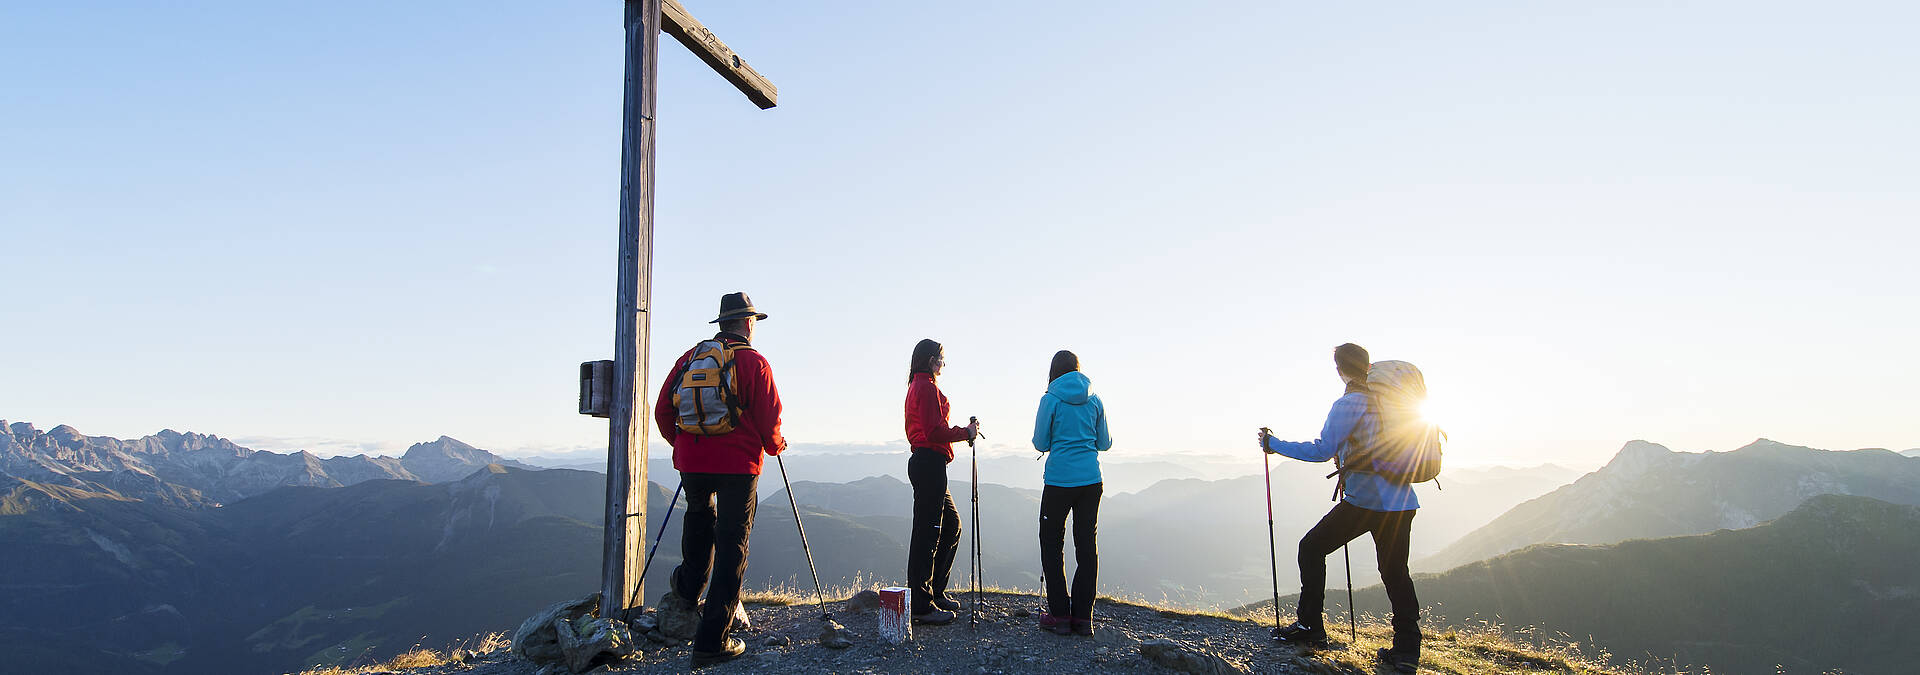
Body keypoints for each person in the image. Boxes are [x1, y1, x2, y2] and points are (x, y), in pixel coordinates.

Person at [1261, 343, 1422, 674]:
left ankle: (1310, 627)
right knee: (1396, 573)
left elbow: (1322, 451)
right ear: (1368, 366)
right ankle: (1407, 650)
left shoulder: (1349, 404)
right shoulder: (1392, 404)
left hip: (1365, 503)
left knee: (1311, 548)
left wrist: (1273, 445)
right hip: (1403, 502)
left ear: (1340, 370)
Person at [653, 292, 786, 666]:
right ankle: (712, 641)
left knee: (698, 517)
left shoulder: (690, 358)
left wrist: (683, 444)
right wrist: (776, 446)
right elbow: (769, 418)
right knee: (732, 545)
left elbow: (664, 408)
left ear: (721, 323)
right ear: (747, 323)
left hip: (692, 460)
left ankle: (687, 587)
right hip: (738, 466)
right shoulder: (753, 362)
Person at [1030, 350, 1112, 636]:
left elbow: (1040, 442)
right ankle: (1083, 617)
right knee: (1087, 547)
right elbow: (1105, 443)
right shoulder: (1095, 399)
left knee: (1052, 544)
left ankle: (1060, 615)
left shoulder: (1050, 399)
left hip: (1059, 482)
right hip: (1091, 481)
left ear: (1054, 371)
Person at [903, 338, 979, 625]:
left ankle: (932, 592)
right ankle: (922, 604)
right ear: (931, 361)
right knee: (928, 532)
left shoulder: (917, 385)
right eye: (941, 360)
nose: (942, 365)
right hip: (930, 462)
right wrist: (967, 432)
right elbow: (935, 431)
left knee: (948, 526)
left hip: (926, 463)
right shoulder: (926, 387)